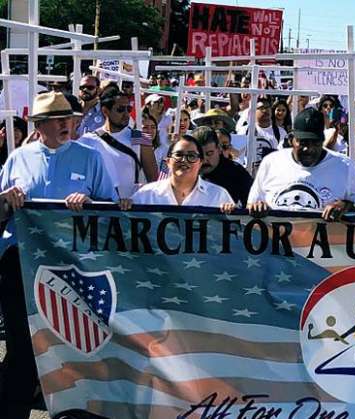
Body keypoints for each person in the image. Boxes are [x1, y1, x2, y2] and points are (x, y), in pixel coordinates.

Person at [0, 92, 114, 418]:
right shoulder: (18, 158)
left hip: (70, 267)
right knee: (23, 350)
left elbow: (110, 210)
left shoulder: (90, 157)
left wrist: (90, 204)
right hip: (19, 264)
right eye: (58, 120)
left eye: (70, 118)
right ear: (40, 126)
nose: (67, 124)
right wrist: (7, 200)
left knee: (68, 347)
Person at [247, 108, 355, 221]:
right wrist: (258, 207)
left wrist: (347, 206)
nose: (309, 149)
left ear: (323, 140)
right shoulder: (271, 162)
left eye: (315, 143)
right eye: (303, 142)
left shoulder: (345, 166)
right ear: (292, 140)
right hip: (276, 245)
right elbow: (252, 203)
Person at [78, 86, 158, 198]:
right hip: (96, 209)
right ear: (105, 111)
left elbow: (154, 182)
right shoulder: (87, 140)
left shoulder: (140, 137)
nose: (126, 114)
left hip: (129, 209)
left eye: (128, 109)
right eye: (120, 109)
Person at [120, 134, 234, 211]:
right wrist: (125, 206)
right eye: (179, 155)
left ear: (200, 162)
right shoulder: (146, 195)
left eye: (191, 156)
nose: (184, 160)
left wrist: (231, 214)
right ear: (168, 162)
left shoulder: (218, 196)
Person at [192, 126, 253, 208]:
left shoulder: (236, 173)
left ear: (219, 149)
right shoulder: (186, 170)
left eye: (209, 153)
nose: (205, 160)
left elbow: (251, 203)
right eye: (199, 155)